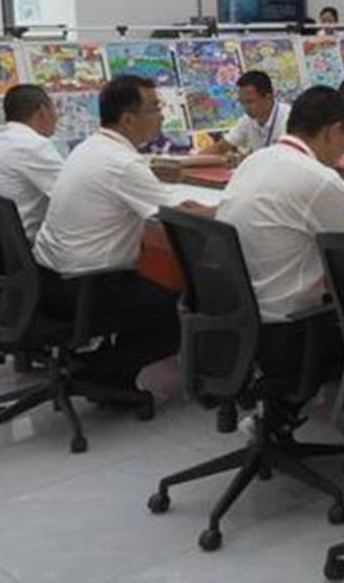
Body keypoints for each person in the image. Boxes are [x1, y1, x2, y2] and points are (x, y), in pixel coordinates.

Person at [214, 84, 344, 498]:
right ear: (333, 131)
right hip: (290, 332)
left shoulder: (257, 161)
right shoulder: (319, 179)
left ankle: (272, 419)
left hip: (243, 324)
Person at [34, 75, 212, 390]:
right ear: (128, 119)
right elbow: (179, 217)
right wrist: (229, 207)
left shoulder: (90, 147)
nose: (162, 116)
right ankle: (98, 373)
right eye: (155, 108)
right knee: (179, 309)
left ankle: (101, 367)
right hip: (85, 285)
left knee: (153, 284)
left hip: (50, 278)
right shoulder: (122, 163)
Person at [0, 84, 63, 242]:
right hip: (29, 244)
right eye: (54, 109)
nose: (57, 116)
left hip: (2, 243)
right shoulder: (32, 145)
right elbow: (71, 194)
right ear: (42, 110)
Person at [203, 71, 289, 159]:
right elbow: (221, 146)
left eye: (250, 102)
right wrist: (196, 160)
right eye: (242, 102)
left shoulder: (289, 118)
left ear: (268, 97)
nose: (245, 107)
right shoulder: (247, 120)